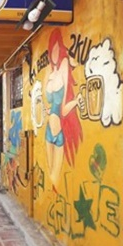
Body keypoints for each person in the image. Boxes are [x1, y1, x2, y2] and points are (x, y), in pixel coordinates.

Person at [44, 29, 83, 188]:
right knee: (50, 173)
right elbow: (46, 102)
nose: (55, 53)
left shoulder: (64, 67)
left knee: (55, 178)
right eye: (52, 49)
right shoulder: (48, 71)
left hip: (59, 131)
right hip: (48, 130)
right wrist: (46, 110)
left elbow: (63, 109)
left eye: (57, 48)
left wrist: (76, 101)